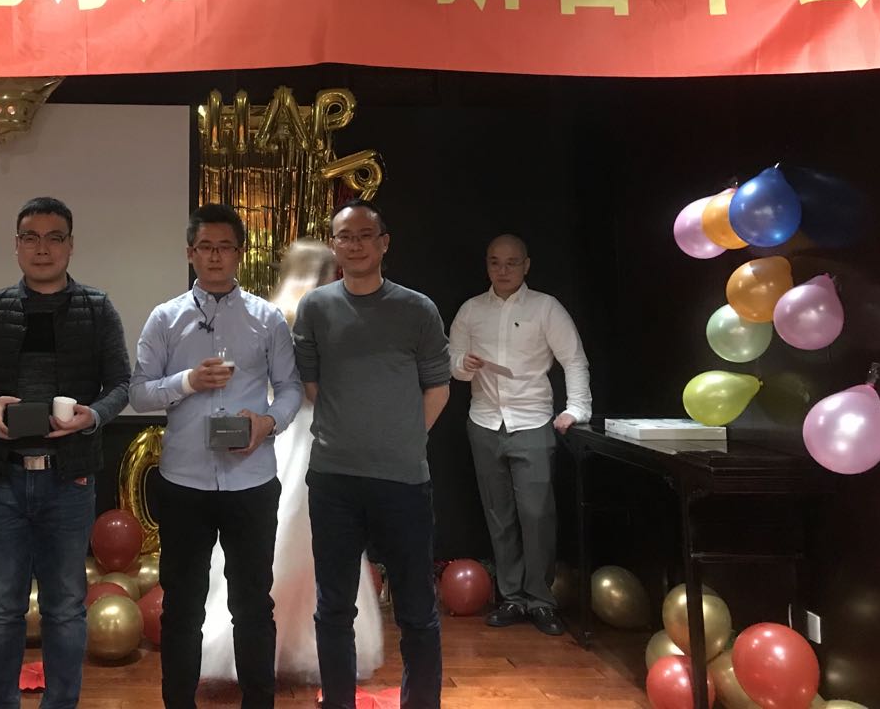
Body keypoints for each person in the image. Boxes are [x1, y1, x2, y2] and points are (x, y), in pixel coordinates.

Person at [0, 197, 131, 709]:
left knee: (66, 608)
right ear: (17, 246)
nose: (42, 248)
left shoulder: (97, 308)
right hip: (0, 480)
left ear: (70, 245)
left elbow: (121, 384)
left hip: (69, 479)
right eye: (31, 237)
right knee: (1, 608)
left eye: (54, 238)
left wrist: (92, 416)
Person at [130, 202, 303, 709]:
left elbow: (290, 388)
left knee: (253, 606)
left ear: (240, 254)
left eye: (225, 247)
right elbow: (138, 393)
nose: (214, 256)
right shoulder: (165, 318)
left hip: (251, 480)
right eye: (205, 246)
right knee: (183, 609)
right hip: (185, 483)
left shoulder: (267, 319)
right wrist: (188, 381)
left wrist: (268, 422)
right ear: (190, 253)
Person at [200, 239, 383, 683]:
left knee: (281, 541)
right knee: (300, 542)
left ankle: (262, 647)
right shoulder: (315, 316)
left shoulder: (265, 314)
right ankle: (293, 645)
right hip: (303, 435)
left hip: (277, 435)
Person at [294, 199, 450, 709]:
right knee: (334, 608)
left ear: (384, 243)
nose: (355, 244)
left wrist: (406, 437)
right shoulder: (316, 308)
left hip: (403, 479)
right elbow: (311, 384)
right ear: (333, 245)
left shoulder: (417, 309)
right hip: (334, 479)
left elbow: (438, 387)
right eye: (345, 236)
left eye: (365, 235)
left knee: (416, 610)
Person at [448, 233, 590, 637]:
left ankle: (541, 600)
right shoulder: (471, 310)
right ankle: (511, 597)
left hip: (532, 421)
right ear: (487, 265)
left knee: (537, 514)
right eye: (495, 262)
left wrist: (576, 409)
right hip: (484, 421)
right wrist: (463, 364)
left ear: (526, 265)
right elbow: (450, 361)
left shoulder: (546, 307)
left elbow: (573, 360)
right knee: (499, 515)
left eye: (512, 262)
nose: (503, 270)